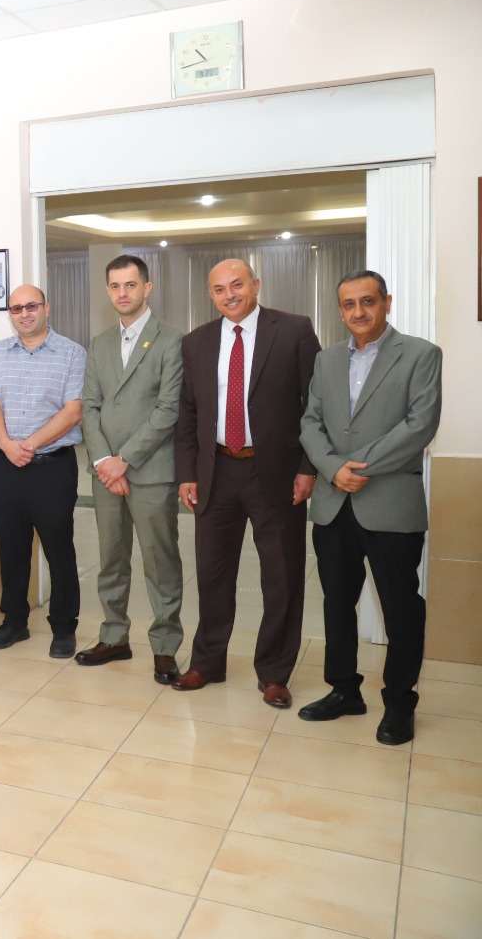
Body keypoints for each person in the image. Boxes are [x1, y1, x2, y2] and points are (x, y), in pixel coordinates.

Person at [297, 270, 441, 745]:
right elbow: (310, 422)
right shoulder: (326, 360)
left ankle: (399, 702)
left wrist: (354, 467)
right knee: (337, 604)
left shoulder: (420, 355)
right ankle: (344, 691)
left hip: (390, 505)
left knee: (401, 609)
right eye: (349, 304)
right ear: (340, 310)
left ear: (386, 302)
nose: (358, 312)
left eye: (368, 301)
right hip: (333, 504)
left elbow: (420, 425)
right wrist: (332, 468)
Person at [173, 259, 321, 709]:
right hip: (216, 472)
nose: (229, 295)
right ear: (211, 295)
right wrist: (188, 473)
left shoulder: (294, 331)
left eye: (237, 285)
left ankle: (274, 673)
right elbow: (188, 414)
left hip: (276, 472)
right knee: (212, 574)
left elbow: (316, 405)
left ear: (256, 284)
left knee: (282, 575)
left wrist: (308, 467)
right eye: (219, 289)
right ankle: (208, 662)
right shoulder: (197, 342)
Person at [77, 256, 187, 684]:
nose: (122, 293)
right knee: (111, 559)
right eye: (115, 286)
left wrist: (124, 460)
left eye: (130, 285)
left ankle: (165, 646)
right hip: (106, 473)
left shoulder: (171, 340)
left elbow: (168, 409)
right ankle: (114, 636)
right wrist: (104, 462)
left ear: (147, 288)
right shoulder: (100, 343)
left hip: (150, 470)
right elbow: (89, 406)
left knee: (161, 562)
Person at [0, 285, 87, 657]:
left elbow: (73, 410)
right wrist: (7, 443)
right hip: (6, 465)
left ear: (46, 307)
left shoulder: (72, 353)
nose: (24, 314)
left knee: (59, 551)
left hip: (52, 467)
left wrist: (29, 443)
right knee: (11, 549)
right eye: (16, 308)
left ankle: (64, 627)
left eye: (31, 306)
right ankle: (14, 622)